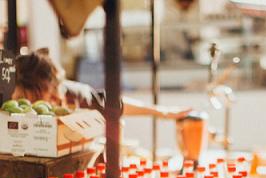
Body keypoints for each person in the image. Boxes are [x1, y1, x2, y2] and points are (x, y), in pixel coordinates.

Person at [12, 48, 191, 119]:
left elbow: (112, 104)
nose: (54, 101)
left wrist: (162, 112)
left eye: (54, 93)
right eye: (40, 97)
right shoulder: (12, 103)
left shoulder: (73, 95)